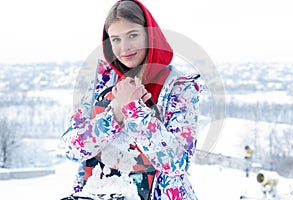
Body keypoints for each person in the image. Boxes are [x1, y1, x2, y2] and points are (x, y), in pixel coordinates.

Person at [62, 0, 203, 199]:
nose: (124, 47)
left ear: (149, 34)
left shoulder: (179, 88)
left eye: (133, 35)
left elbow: (177, 162)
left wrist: (134, 109)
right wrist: (115, 115)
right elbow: (72, 148)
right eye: (116, 39)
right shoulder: (100, 82)